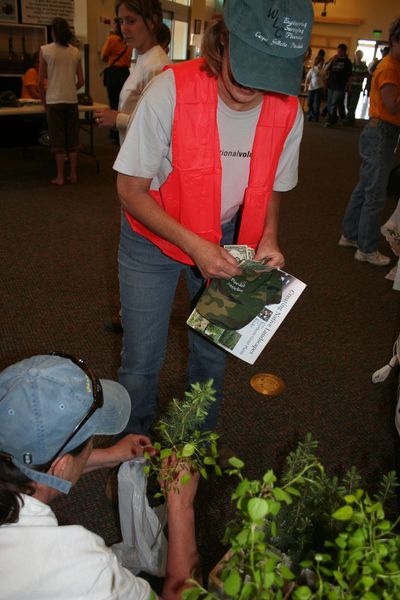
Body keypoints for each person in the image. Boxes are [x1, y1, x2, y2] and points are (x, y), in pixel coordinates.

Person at [112, 0, 314, 436]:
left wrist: (270, 236)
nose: (253, 84)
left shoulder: (287, 109)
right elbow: (130, 190)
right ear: (222, 42)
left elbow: (275, 185)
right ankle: (133, 457)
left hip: (225, 239)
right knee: (142, 359)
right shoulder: (170, 92)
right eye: (248, 64)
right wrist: (195, 246)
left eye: (270, 71)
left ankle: (194, 448)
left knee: (211, 353)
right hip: (154, 237)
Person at [0, 353, 199, 600]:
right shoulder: (76, 566)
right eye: (90, 439)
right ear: (62, 465)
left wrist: (109, 455)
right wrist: (181, 506)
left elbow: (38, 468)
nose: (93, 443)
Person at [339, 17, 400, 266]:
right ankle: (366, 248)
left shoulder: (393, 65)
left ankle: (350, 235)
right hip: (381, 132)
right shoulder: (389, 67)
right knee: (374, 193)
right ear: (396, 40)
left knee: (365, 188)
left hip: (381, 132)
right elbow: (392, 106)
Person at [95, 0, 171, 146]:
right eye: (121, 21)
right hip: (134, 156)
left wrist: (117, 119)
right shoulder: (145, 59)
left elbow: (160, 126)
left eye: (131, 21)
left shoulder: (156, 65)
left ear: (152, 21)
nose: (124, 28)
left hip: (144, 163)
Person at [39, 17, 84, 185]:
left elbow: (39, 80)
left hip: (53, 101)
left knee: (58, 140)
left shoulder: (45, 50)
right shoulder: (75, 52)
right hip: (71, 100)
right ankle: (73, 174)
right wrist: (70, 88)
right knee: (72, 139)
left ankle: (60, 177)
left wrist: (44, 100)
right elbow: (81, 80)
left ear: (53, 32)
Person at [101, 19, 132, 114]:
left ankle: (115, 125)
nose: (111, 27)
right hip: (125, 73)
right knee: (123, 101)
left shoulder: (112, 39)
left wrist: (110, 60)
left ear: (117, 27)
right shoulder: (128, 40)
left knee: (114, 102)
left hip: (114, 73)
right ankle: (122, 123)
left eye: (113, 25)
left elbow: (103, 56)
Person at [324, 43, 352, 127]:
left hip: (340, 86)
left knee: (333, 103)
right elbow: (325, 69)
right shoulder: (334, 60)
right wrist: (332, 60)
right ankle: (332, 118)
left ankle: (331, 120)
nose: (338, 52)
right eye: (338, 50)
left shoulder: (347, 62)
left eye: (340, 51)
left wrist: (348, 85)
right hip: (331, 85)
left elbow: (350, 75)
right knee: (329, 103)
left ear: (344, 51)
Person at [344, 49, 369, 125]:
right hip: (350, 86)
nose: (358, 57)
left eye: (360, 55)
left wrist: (359, 77)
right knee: (348, 104)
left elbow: (367, 75)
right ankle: (352, 118)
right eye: (357, 55)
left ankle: (349, 119)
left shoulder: (363, 65)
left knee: (353, 104)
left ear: (361, 56)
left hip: (357, 87)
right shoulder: (352, 64)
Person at [305, 55, 325, 121]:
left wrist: (324, 88)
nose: (322, 64)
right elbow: (307, 78)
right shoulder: (312, 69)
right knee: (309, 102)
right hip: (311, 88)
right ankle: (311, 114)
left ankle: (314, 116)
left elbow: (324, 80)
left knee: (316, 103)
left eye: (323, 63)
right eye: (321, 63)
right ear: (317, 62)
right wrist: (306, 86)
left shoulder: (323, 71)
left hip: (319, 88)